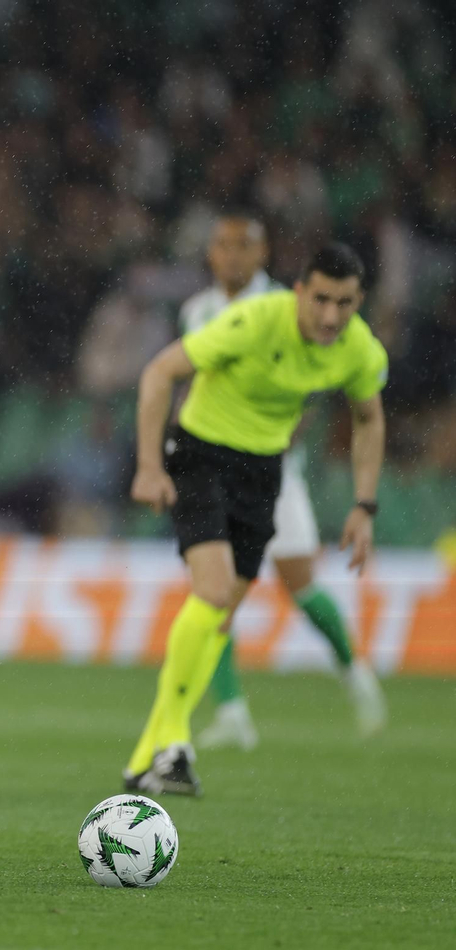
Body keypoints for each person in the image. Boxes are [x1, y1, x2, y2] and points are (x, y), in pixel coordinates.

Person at [125, 242, 388, 796]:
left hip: (264, 472)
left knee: (220, 615)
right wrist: (149, 466)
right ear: (299, 292)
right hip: (201, 454)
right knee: (215, 590)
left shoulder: (359, 349)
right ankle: (174, 742)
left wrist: (364, 505)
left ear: (359, 300)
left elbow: (369, 418)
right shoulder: (253, 320)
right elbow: (159, 372)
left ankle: (147, 756)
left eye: (344, 303)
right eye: (320, 300)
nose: (330, 316)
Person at [178, 214, 386, 750]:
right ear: (209, 253)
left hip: (274, 472)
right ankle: (231, 711)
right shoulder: (196, 310)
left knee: (300, 583)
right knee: (214, 592)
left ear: (263, 253)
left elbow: (315, 386)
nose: (231, 256)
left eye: (242, 246)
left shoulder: (290, 306)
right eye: (221, 245)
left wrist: (288, 429)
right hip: (217, 466)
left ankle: (353, 669)